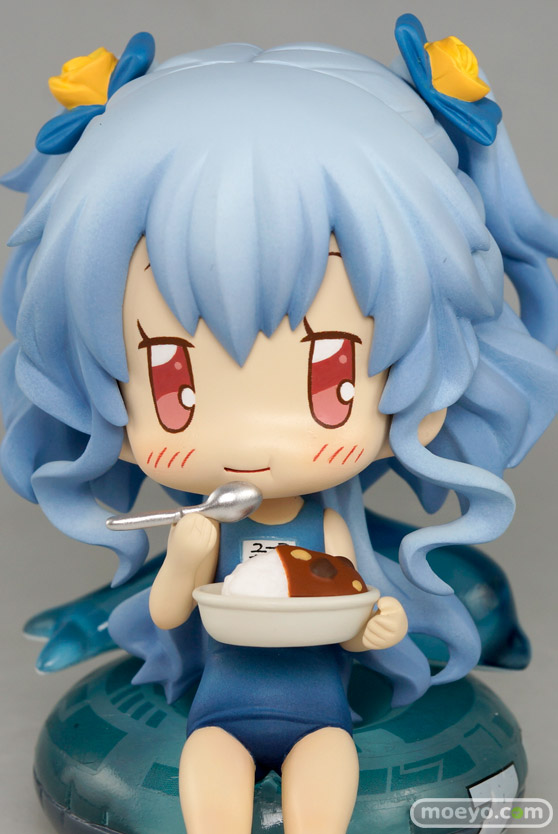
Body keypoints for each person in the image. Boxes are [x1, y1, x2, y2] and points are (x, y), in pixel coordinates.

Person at [1, 15, 557, 834]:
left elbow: (357, 603)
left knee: (328, 771)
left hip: (320, 714)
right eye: (172, 380)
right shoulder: (209, 524)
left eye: (330, 375)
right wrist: (185, 554)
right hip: (220, 713)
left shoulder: (328, 528)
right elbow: (170, 611)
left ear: (428, 378)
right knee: (208, 773)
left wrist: (378, 622)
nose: (253, 441)